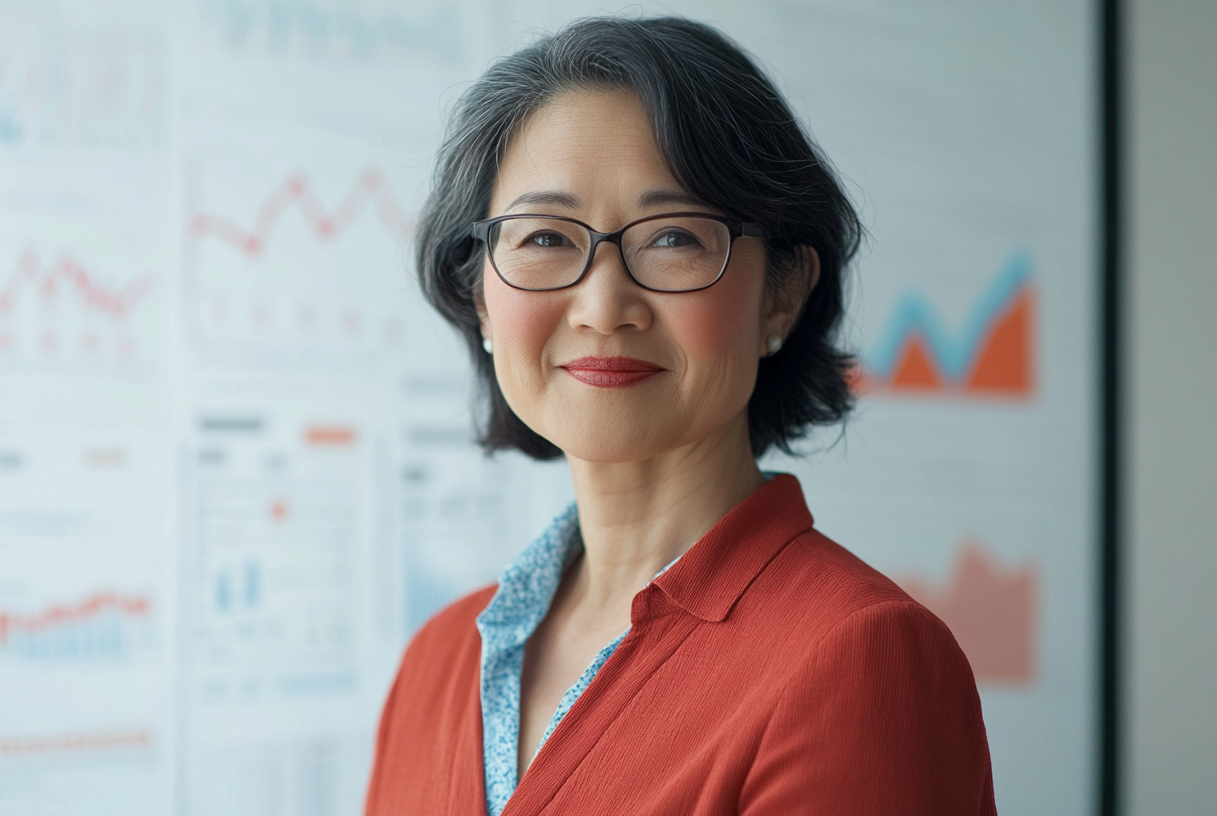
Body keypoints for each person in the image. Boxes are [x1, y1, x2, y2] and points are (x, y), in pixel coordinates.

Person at [366, 16, 995, 816]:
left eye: (672, 238)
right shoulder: (439, 659)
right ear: (480, 298)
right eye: (546, 237)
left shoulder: (858, 657)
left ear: (781, 293)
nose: (603, 306)